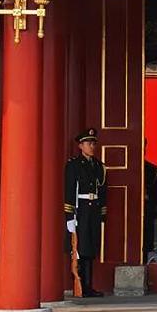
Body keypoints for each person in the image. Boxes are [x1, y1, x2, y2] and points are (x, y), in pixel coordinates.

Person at [64, 127, 107, 298]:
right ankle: (80, 284)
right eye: (88, 143)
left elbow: (102, 191)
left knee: (91, 247)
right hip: (80, 209)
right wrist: (70, 215)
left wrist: (102, 212)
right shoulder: (74, 165)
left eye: (93, 143)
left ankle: (88, 286)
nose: (91, 146)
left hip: (93, 209)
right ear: (80, 146)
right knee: (80, 248)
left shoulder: (98, 166)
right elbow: (70, 191)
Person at [143, 138, 157, 263]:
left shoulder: (151, 169)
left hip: (146, 211)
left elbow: (155, 194)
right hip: (128, 212)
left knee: (145, 241)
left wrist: (155, 211)